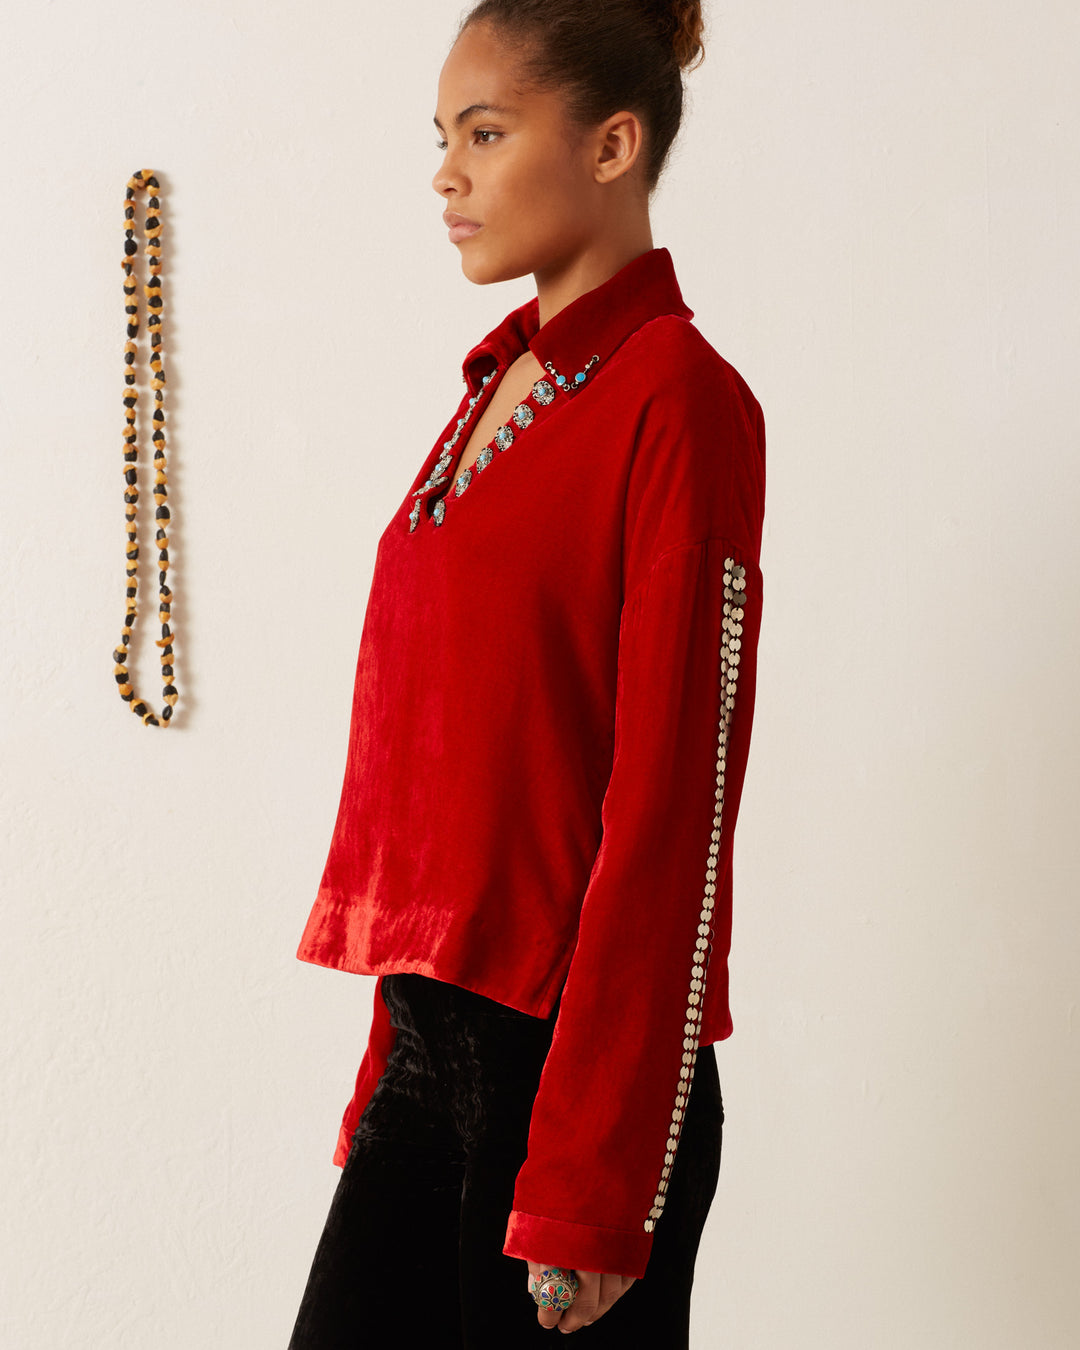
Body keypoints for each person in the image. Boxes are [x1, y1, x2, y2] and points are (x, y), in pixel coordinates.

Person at [287, 1, 766, 1345]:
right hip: (434, 1056)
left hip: (578, 1083)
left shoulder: (677, 398)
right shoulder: (494, 390)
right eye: (442, 137)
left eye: (485, 133)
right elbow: (456, 775)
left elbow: (672, 807)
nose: (447, 172)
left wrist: (593, 1184)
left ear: (613, 144)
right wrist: (392, 1062)